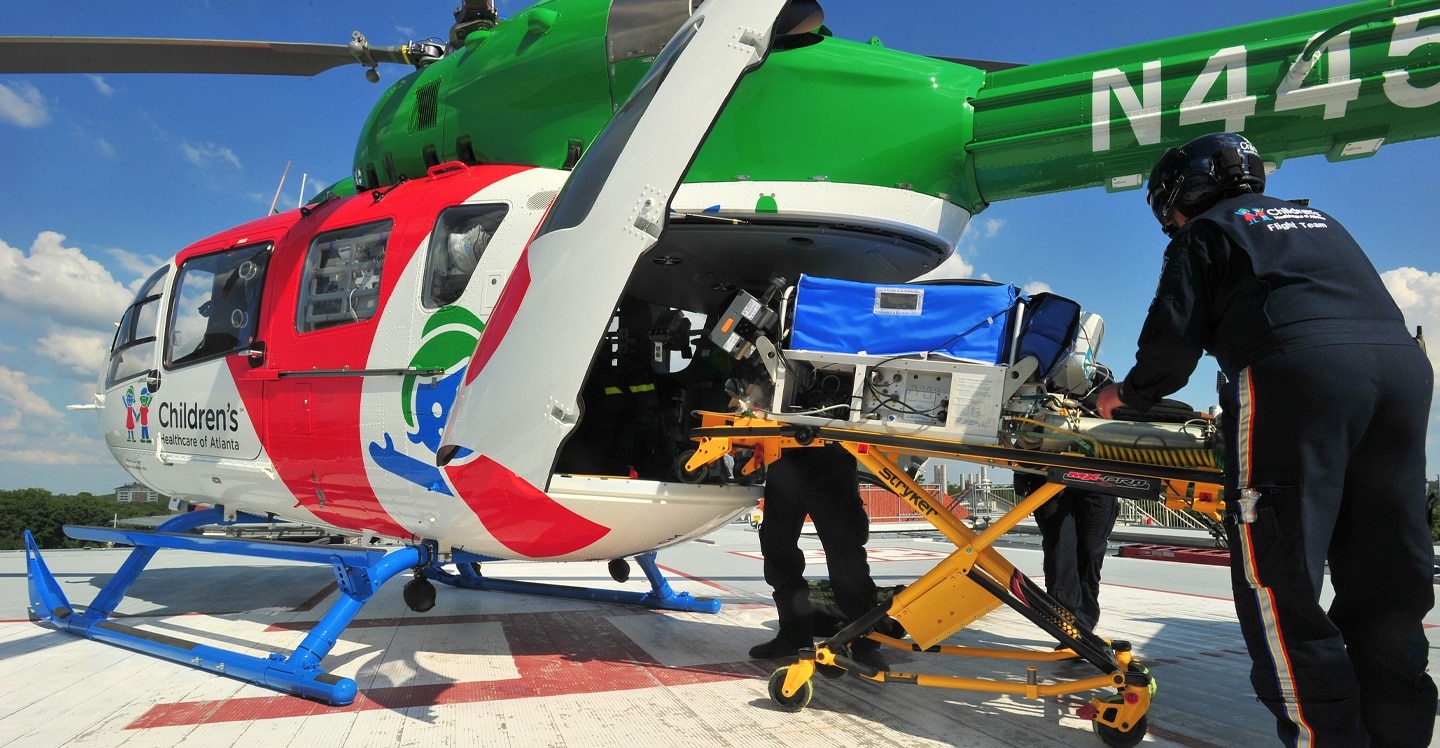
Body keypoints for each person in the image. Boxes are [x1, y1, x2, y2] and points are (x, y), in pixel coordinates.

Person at [1095, 132, 1435, 747]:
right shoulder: (1316, 218)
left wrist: (1124, 396)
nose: (1170, 222)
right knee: (1386, 574)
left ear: (1184, 195)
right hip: (1402, 375)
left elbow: (1169, 354)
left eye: (1167, 210)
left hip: (1300, 373)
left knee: (1281, 579)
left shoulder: (1206, 233)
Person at [748, 443, 888, 671]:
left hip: (830, 454)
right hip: (783, 455)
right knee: (777, 548)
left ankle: (866, 644)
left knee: (845, 555)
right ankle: (793, 635)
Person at [1012, 472, 1119, 636]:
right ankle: (1069, 624)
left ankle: (1085, 621)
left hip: (1099, 476)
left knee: (1091, 550)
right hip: (1050, 473)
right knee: (1061, 551)